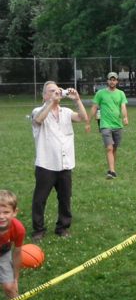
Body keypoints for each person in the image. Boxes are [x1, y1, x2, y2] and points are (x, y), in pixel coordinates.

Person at [31, 81, 88, 240]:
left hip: (65, 164)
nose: (56, 93)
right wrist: (51, 103)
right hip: (46, 164)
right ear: (44, 96)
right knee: (40, 199)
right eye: (51, 91)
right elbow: (38, 120)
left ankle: (62, 227)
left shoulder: (66, 112)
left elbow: (83, 118)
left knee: (65, 198)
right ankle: (38, 230)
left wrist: (77, 99)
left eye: (57, 90)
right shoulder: (38, 110)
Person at [0, 190, 38, 300]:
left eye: (6, 212)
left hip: (3, 253)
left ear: (15, 212)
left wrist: (15, 278)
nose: (1, 216)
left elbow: (16, 254)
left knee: (10, 287)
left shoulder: (18, 229)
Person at [87, 72, 129, 179]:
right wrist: (88, 122)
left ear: (117, 81)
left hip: (117, 125)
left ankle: (112, 167)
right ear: (107, 81)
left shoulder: (121, 94)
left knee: (114, 148)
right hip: (105, 124)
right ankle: (112, 171)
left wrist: (125, 117)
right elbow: (94, 107)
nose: (112, 81)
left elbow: (123, 106)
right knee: (109, 148)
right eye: (110, 79)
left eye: (114, 80)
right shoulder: (100, 93)